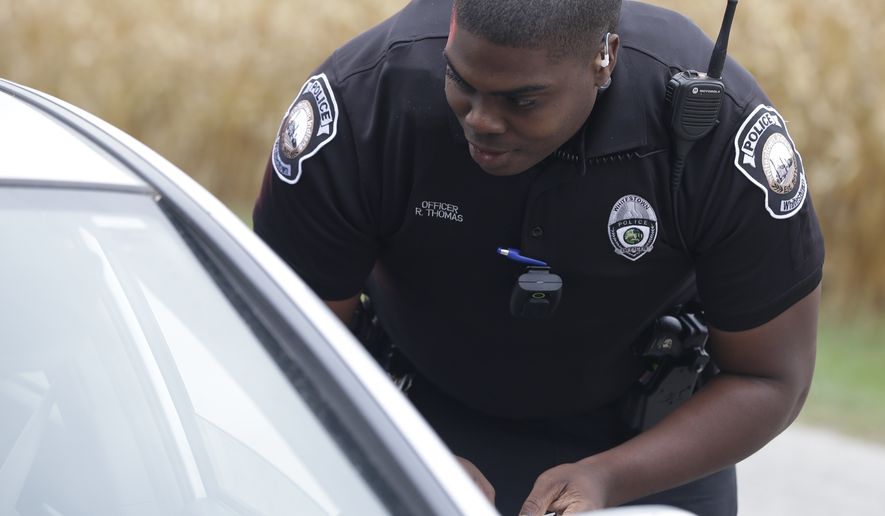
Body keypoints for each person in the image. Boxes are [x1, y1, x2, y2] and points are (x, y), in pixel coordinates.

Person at [253, 0, 824, 514]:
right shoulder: (363, 104)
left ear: (605, 58)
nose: (481, 120)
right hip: (405, 416)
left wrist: (607, 478)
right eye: (461, 80)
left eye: (521, 100)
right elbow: (289, 345)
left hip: (648, 449)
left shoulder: (718, 132)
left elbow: (771, 377)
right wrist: (404, 452)